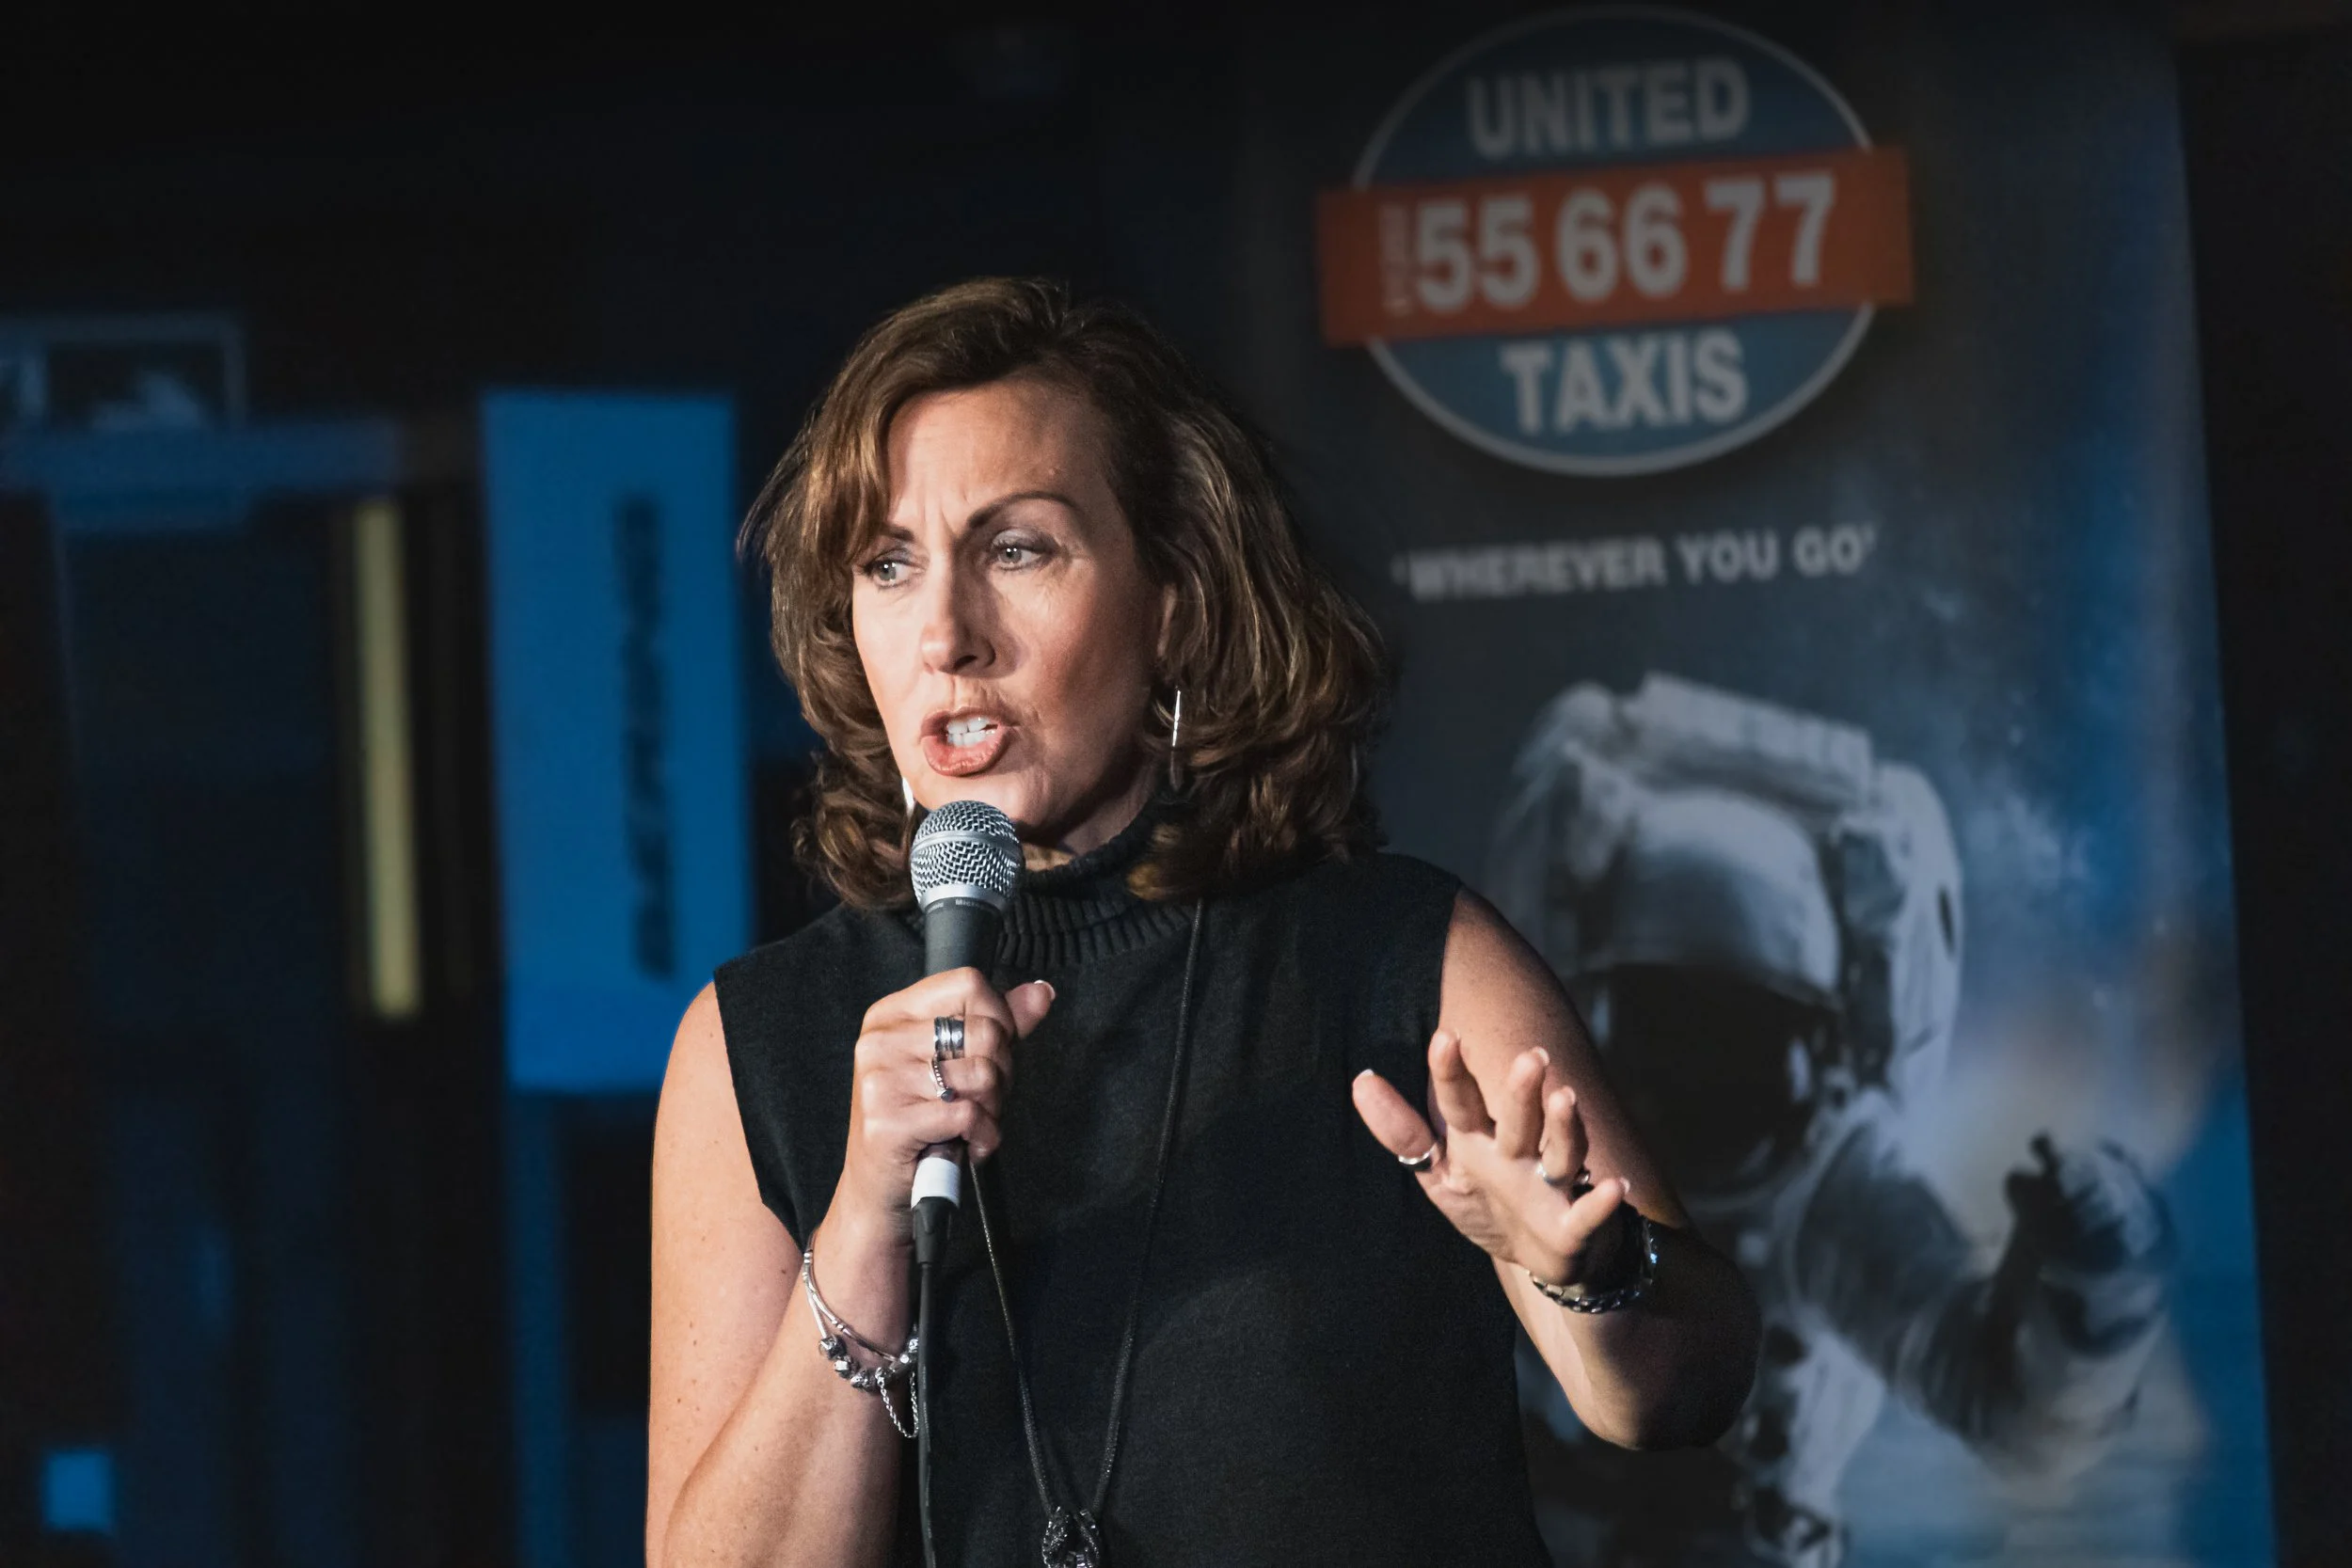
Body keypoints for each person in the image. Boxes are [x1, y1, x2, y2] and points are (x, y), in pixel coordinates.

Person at [645, 277, 1761, 1568]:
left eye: (1018, 549)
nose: (946, 634)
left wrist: (1596, 1272)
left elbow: (1679, 1390)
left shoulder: (1400, 959)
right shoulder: (757, 1042)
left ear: (1173, 603)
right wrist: (863, 1226)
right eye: (888, 563)